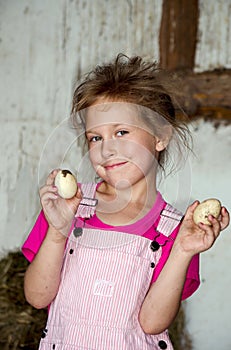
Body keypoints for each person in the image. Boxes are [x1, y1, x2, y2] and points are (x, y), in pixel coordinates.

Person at [22, 54, 229, 350]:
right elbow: (37, 297)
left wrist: (182, 251)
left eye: (121, 132)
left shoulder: (176, 230)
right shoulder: (68, 207)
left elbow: (152, 323)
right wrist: (57, 230)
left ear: (160, 136)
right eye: (95, 138)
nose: (107, 149)